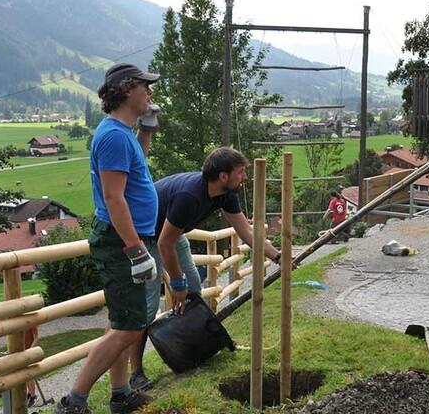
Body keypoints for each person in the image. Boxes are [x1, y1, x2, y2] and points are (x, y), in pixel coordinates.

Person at [128, 147, 283, 390]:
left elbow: (247, 232)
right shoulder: (190, 196)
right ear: (223, 176)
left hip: (171, 234)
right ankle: (135, 374)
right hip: (145, 236)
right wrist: (176, 284)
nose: (244, 178)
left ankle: (191, 351)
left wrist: (278, 257)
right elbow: (163, 244)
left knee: (193, 290)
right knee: (147, 307)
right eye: (241, 172)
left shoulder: (226, 194)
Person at [55, 63, 161, 414]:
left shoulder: (122, 133)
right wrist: (135, 250)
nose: (150, 92)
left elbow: (136, 169)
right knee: (130, 327)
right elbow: (114, 197)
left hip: (125, 238)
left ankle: (121, 393)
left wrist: (146, 132)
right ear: (127, 88)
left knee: (124, 321)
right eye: (145, 86)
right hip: (121, 241)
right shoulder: (114, 136)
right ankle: (74, 402)